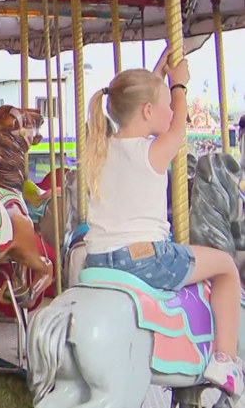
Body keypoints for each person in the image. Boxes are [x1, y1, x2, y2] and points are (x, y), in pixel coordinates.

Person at [82, 59, 244, 395]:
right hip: (146, 259)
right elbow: (178, 128)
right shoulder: (152, 151)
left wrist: (159, 74)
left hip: (97, 259)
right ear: (146, 111)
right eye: (166, 106)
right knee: (227, 267)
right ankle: (225, 361)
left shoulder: (99, 148)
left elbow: (139, 103)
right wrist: (179, 86)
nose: (172, 111)